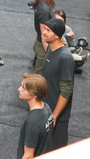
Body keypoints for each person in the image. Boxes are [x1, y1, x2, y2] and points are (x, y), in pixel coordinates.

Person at [39, 18, 75, 151]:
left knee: (56, 152)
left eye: (48, 30)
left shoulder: (65, 58)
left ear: (57, 35)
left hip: (57, 116)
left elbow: (66, 90)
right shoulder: (50, 49)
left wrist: (54, 116)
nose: (44, 32)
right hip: (46, 109)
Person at [17, 73, 53, 159]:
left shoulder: (32, 122)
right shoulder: (46, 107)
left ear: (35, 94)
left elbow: (28, 155)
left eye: (24, 88)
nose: (19, 89)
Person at [31, 0, 61, 73]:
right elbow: (44, 34)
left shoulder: (49, 2)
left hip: (48, 42)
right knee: (39, 76)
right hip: (43, 46)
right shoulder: (44, 9)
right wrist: (49, 52)